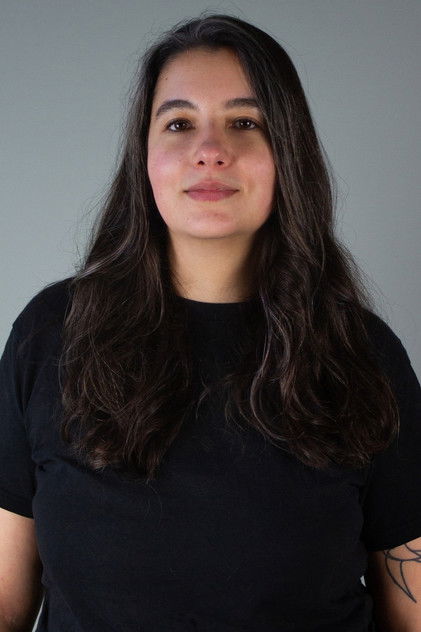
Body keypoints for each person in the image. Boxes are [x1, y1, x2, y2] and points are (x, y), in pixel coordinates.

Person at [0, 12, 420, 632]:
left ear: (288, 154)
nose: (210, 151)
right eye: (179, 123)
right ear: (145, 157)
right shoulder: (50, 335)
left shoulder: (362, 354)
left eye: (245, 123)